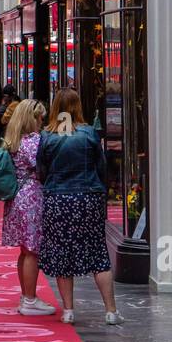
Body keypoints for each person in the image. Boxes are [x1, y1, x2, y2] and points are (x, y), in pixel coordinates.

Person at [36, 88, 119, 327]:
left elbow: (42, 170)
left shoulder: (47, 136)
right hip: (87, 196)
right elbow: (101, 167)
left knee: (63, 253)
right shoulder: (89, 133)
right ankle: (111, 310)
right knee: (97, 252)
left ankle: (69, 310)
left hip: (58, 198)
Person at [0, 99, 53, 316]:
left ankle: (26, 295)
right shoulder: (34, 142)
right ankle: (30, 299)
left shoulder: (14, 139)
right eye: (40, 117)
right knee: (32, 250)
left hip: (17, 196)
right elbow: (41, 168)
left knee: (25, 250)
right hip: (32, 195)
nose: (42, 121)